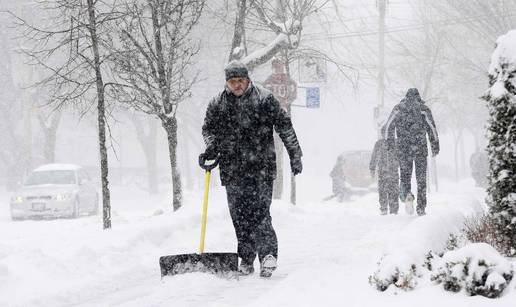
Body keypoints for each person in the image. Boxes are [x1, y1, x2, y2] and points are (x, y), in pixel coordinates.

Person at [200, 61, 303, 278]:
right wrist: (211, 147)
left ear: (248, 80)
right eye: (232, 81)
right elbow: (208, 129)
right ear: (227, 83)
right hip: (232, 169)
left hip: (261, 167)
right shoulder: (217, 103)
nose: (237, 85)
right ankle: (246, 258)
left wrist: (295, 153)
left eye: (240, 81)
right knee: (239, 216)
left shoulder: (264, 99)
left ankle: (267, 256)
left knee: (260, 213)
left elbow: (284, 125)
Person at [384, 88, 439, 216]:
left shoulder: (398, 108)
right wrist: (434, 145)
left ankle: (407, 194)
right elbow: (432, 129)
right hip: (420, 149)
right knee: (421, 180)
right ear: (418, 97)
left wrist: (390, 143)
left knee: (405, 177)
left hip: (403, 149)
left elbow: (389, 127)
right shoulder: (423, 109)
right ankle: (421, 207)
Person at [370, 126, 399, 215]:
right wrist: (372, 167)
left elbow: (400, 156)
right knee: (385, 190)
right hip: (385, 171)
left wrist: (372, 167)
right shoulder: (380, 144)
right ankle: (385, 208)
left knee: (391, 190)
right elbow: (374, 156)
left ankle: (392, 208)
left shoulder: (395, 143)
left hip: (391, 170)